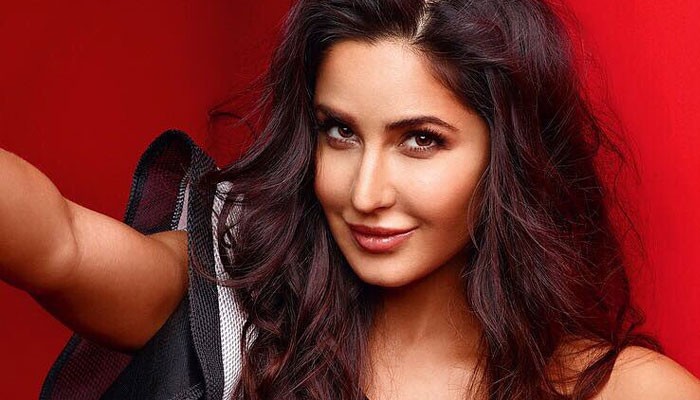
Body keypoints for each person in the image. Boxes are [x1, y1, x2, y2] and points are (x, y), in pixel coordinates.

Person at [1, 0, 699, 399]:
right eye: (339, 132)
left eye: (420, 140)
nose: (365, 193)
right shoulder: (233, 302)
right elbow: (60, 245)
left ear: (508, 157)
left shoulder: (618, 391)